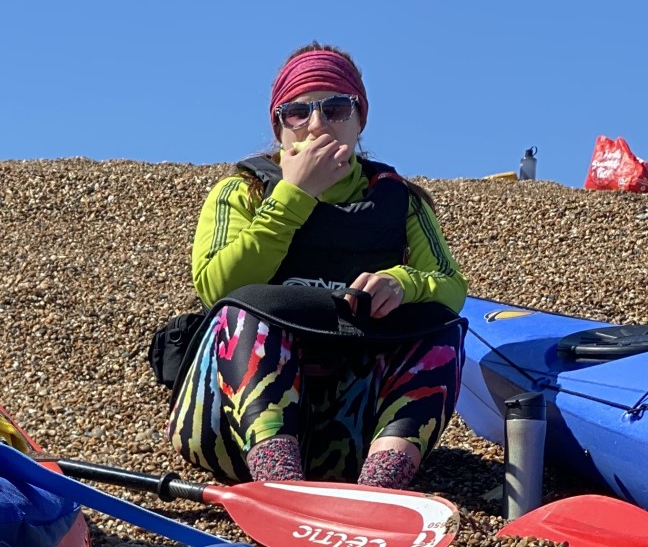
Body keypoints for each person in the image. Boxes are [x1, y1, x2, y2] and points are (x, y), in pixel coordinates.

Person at [167, 44, 466, 488]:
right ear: (278, 126)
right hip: (233, 429)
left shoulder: (400, 201)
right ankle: (280, 484)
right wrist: (294, 196)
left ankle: (381, 486)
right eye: (298, 112)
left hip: (352, 432)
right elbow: (216, 287)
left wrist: (401, 282)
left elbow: (450, 287)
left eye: (335, 108)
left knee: (441, 328)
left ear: (360, 119)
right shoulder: (241, 192)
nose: (317, 125)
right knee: (242, 315)